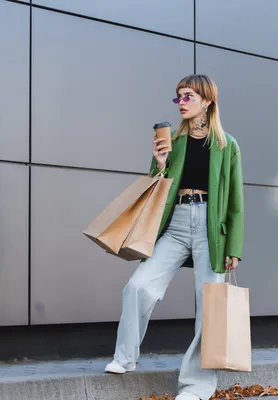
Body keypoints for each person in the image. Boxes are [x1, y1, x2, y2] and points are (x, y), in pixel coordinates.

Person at [105, 74, 245, 400]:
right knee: (138, 286)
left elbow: (236, 201)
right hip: (177, 222)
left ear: (207, 102)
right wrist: (159, 163)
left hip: (212, 227)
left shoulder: (227, 145)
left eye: (188, 96)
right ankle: (125, 357)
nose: (181, 102)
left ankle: (196, 388)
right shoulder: (175, 142)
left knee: (210, 306)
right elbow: (156, 188)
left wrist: (234, 246)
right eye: (178, 97)